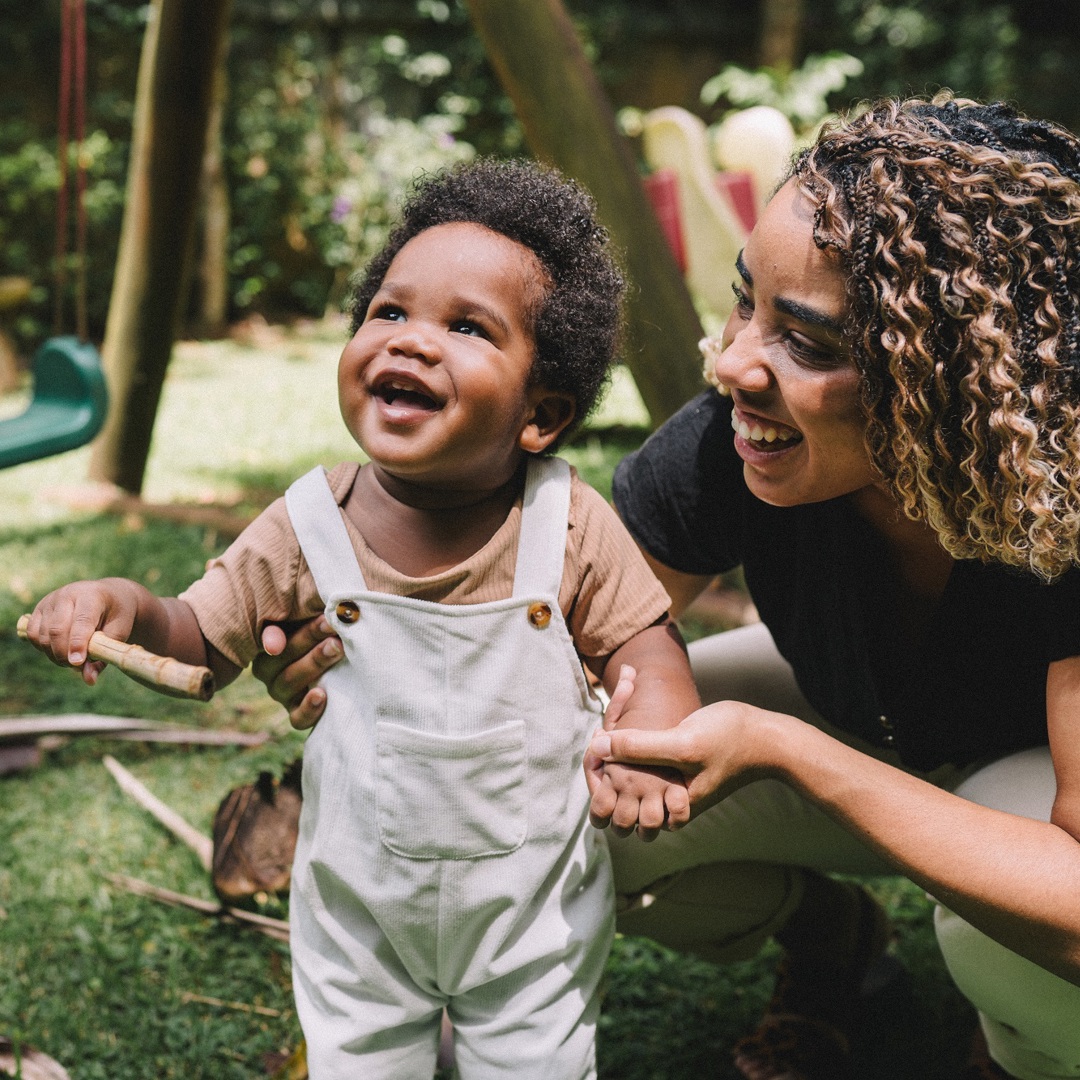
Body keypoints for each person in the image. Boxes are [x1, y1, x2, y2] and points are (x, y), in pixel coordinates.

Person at [256, 98, 1080, 1080]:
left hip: (1028, 791)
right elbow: (526, 646)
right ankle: (830, 941)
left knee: (1002, 943)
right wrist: (361, 651)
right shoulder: (728, 449)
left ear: (950, 373)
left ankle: (1023, 1053)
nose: (733, 364)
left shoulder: (1062, 511)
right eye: (745, 303)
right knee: (552, 767)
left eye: (807, 344)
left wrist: (788, 752)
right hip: (873, 729)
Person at [22, 159, 700, 1079]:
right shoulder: (306, 526)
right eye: (390, 311)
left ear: (540, 414)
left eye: (465, 327)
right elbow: (198, 639)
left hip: (531, 916)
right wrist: (123, 606)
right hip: (357, 917)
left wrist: (653, 742)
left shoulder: (568, 525)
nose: (411, 341)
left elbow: (645, 650)